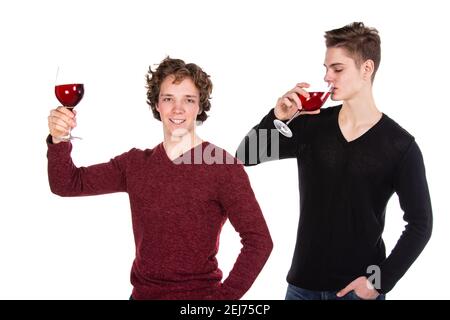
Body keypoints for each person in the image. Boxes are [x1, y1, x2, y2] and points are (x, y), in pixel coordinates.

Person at [47, 57, 273, 300]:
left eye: (188, 100)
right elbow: (67, 184)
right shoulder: (134, 164)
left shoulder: (223, 166)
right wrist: (59, 139)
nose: (178, 109)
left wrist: (221, 300)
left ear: (199, 106)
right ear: (157, 104)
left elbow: (259, 241)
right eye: (168, 99)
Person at [236, 22, 432, 300]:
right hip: (301, 288)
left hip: (358, 292)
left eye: (337, 69)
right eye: (326, 68)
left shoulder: (400, 146)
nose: (327, 77)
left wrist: (379, 281)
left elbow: (420, 224)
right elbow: (246, 155)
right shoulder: (312, 125)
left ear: (367, 69)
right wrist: (276, 117)